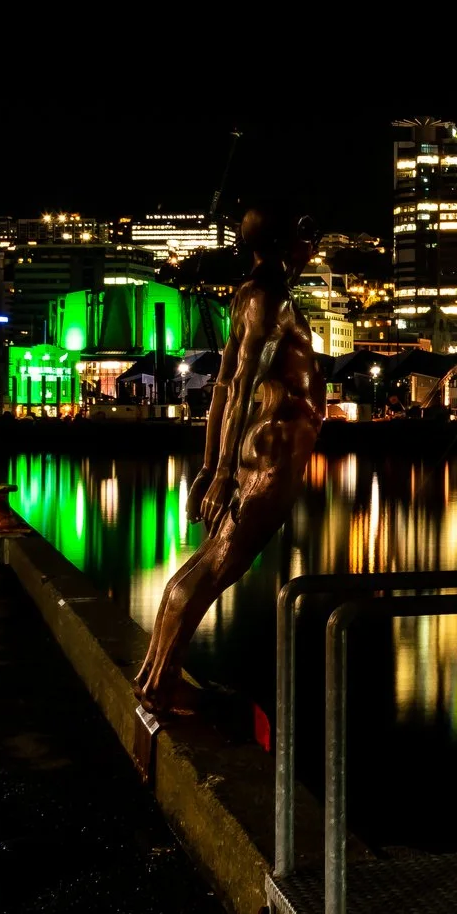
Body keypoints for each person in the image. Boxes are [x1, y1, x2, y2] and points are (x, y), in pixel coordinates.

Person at [134, 209, 323, 713]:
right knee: (222, 564)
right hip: (275, 449)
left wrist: (210, 464)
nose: (313, 250)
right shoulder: (272, 299)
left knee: (205, 563)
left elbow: (223, 387)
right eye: (306, 241)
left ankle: (156, 673)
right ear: (286, 246)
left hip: (258, 445)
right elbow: (239, 384)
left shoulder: (246, 295)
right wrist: (218, 473)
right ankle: (162, 685)